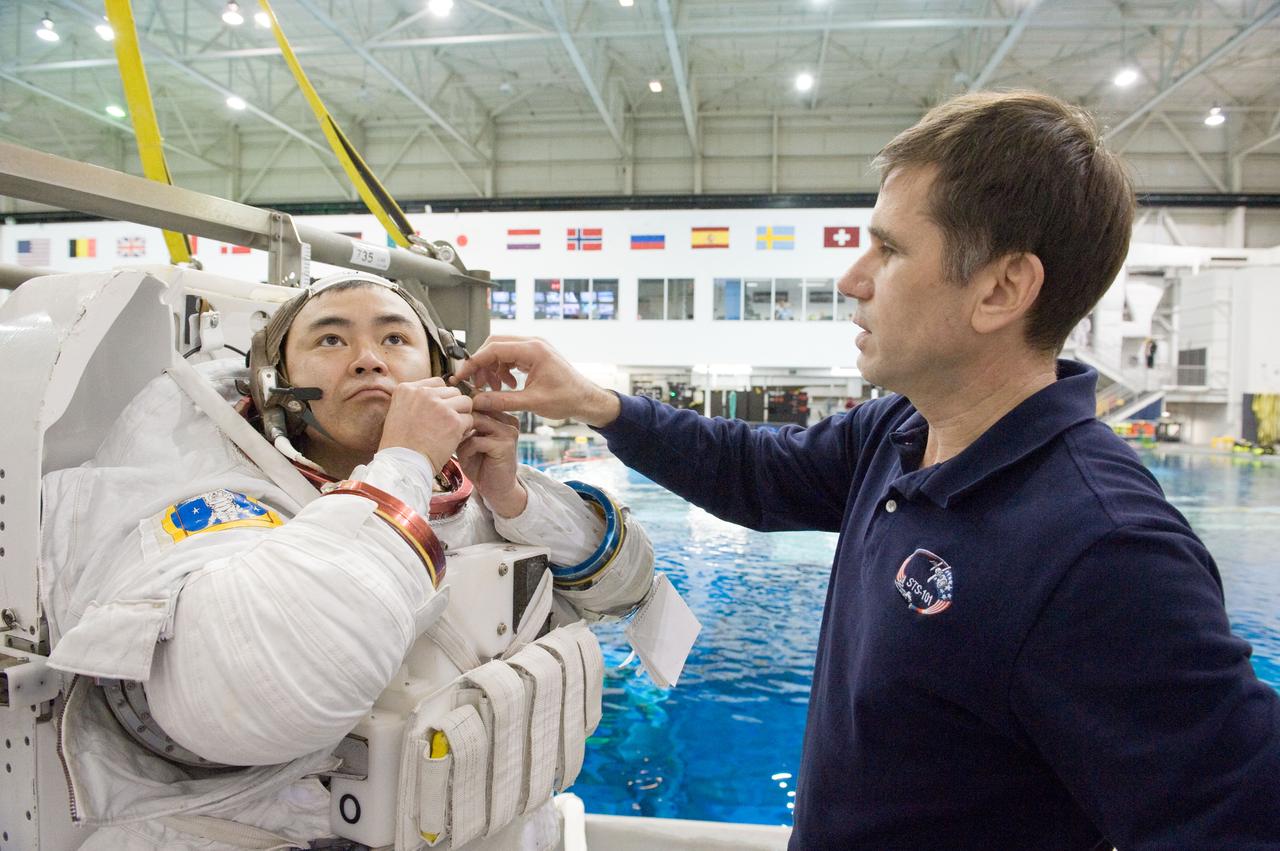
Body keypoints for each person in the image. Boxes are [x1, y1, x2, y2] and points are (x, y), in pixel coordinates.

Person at [456, 91, 1280, 849]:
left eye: (886, 250)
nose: (850, 279)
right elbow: (755, 471)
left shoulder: (1101, 549)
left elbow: (1237, 820)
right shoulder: (903, 431)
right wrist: (595, 403)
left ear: (1001, 288)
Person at [39, 272, 654, 850]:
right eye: (331, 338)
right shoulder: (221, 497)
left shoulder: (473, 486)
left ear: (443, 372)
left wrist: (514, 497)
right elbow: (264, 686)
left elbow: (630, 589)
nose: (368, 358)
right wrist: (405, 463)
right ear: (273, 381)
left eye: (394, 337)